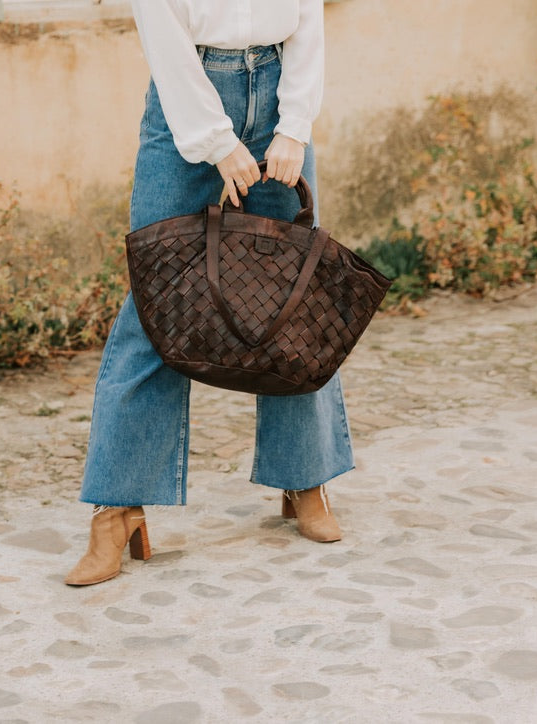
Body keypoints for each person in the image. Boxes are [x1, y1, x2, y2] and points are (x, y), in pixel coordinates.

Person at [65, 0, 353, 587]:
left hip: (278, 95)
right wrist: (217, 142)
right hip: (187, 99)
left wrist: (294, 126)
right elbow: (164, 37)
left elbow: (309, 22)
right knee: (154, 303)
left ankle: (304, 478)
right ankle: (116, 510)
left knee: (294, 301)